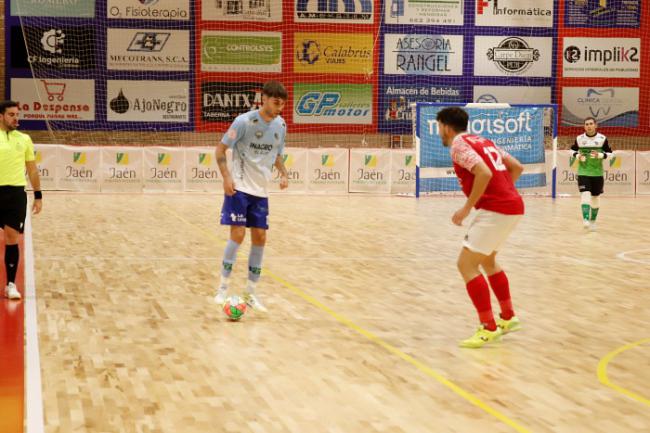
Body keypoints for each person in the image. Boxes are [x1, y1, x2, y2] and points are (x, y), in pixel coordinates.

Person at [436, 107, 524, 348]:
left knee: (466, 264)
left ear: (445, 126)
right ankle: (507, 317)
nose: (439, 132)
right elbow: (517, 167)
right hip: (512, 205)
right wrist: (503, 192)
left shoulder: (458, 144)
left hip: (496, 209)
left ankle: (488, 327)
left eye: (438, 127)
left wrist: (467, 208)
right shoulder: (484, 140)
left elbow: (483, 172)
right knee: (487, 261)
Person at [213, 81, 289, 312]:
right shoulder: (244, 121)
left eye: (282, 104)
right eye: (276, 102)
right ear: (263, 98)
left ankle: (251, 293)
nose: (279, 108)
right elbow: (220, 149)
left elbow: (277, 154)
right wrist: (226, 177)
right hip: (239, 188)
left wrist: (284, 173)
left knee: (260, 238)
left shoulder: (281, 125)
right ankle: (222, 288)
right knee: (237, 235)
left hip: (261, 192)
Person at [0, 100, 42, 300]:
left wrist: (38, 194)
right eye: (11, 114)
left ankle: (10, 284)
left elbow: (32, 169)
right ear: (1, 116)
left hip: (16, 194)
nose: (15, 118)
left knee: (12, 239)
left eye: (17, 114)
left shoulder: (24, 139)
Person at [571, 117, 612, 231]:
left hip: (597, 173)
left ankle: (593, 221)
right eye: (586, 124)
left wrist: (600, 155)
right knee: (585, 194)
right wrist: (578, 156)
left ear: (595, 125)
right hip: (583, 172)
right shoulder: (579, 139)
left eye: (590, 124)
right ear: (584, 126)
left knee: (595, 197)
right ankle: (585, 219)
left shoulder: (602, 139)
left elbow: (610, 154)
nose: (588, 126)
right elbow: (572, 151)